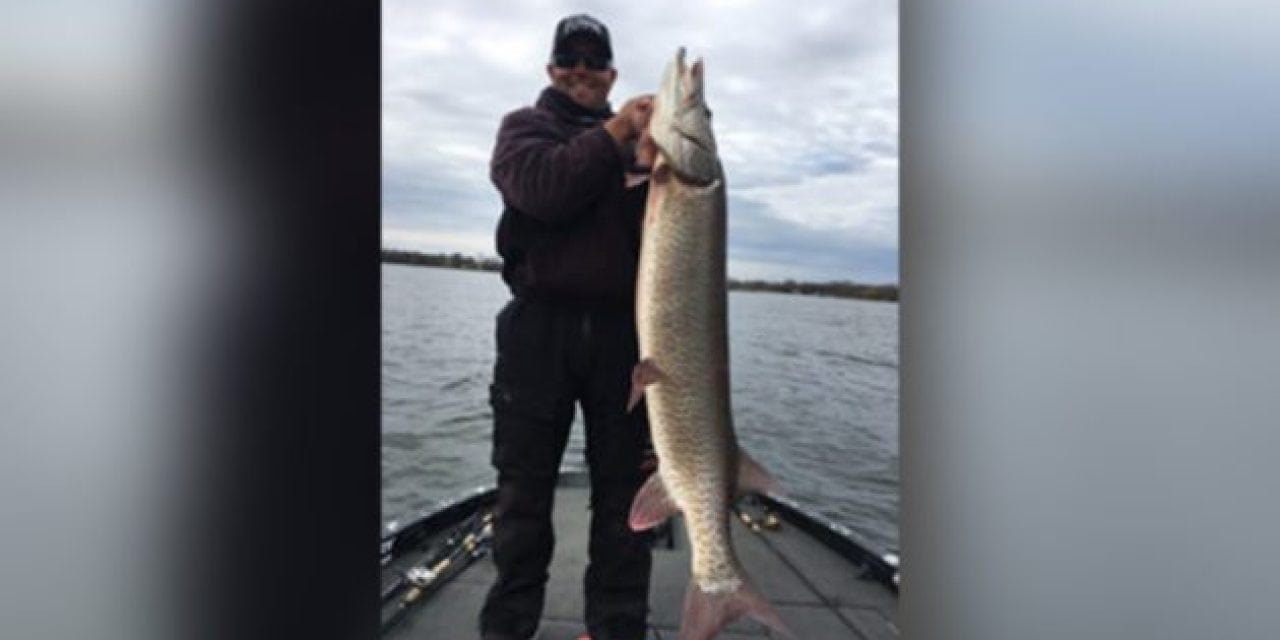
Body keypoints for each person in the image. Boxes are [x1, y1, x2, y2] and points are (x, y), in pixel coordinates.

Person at [479, 14, 657, 640]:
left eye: (595, 60)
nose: (581, 68)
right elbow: (543, 190)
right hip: (537, 333)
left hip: (626, 341)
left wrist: (669, 151)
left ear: (612, 73)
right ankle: (507, 628)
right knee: (523, 496)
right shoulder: (524, 130)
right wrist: (616, 131)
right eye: (569, 58)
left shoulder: (646, 148)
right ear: (552, 69)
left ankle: (615, 629)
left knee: (624, 502)